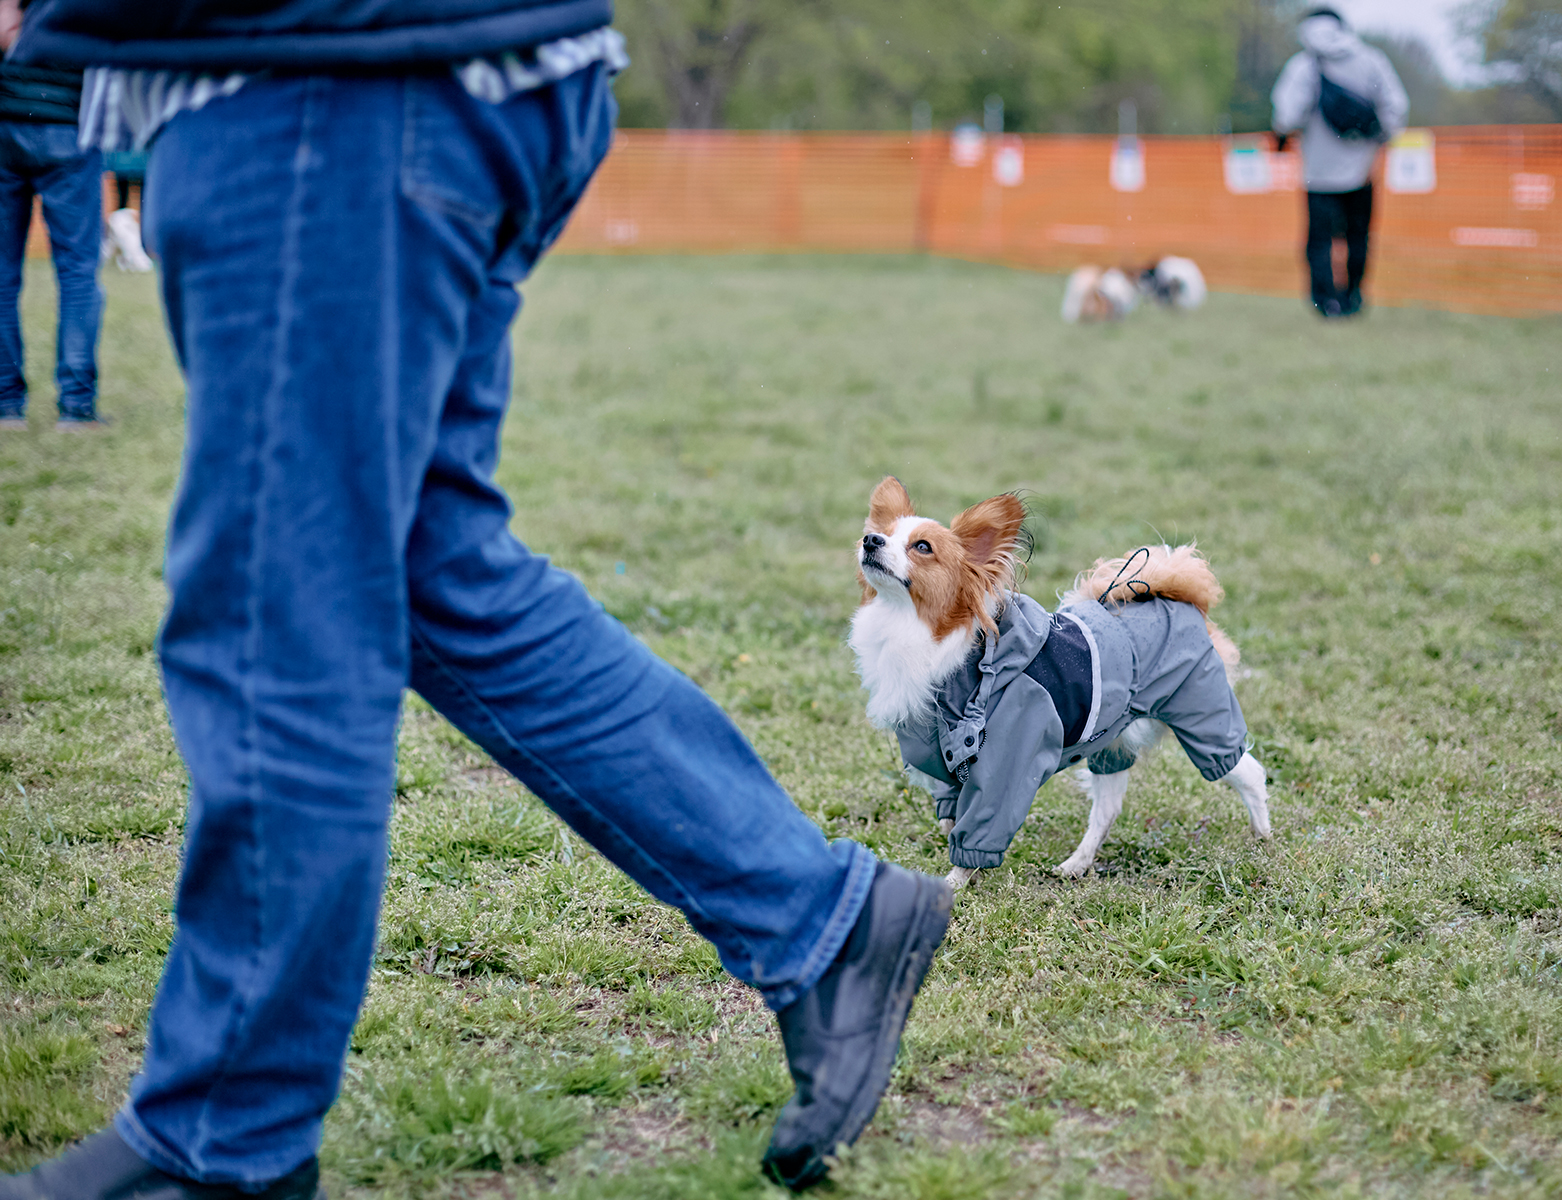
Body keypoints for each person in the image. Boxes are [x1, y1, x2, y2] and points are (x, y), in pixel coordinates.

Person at [0, 2, 950, 1197]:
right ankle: (828, 927)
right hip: (459, 75)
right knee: (429, 570)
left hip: (325, 83)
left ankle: (220, 1147)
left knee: (276, 619)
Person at [0, 0, 102, 431]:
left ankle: (6, 406)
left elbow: (5, 29)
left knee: (2, 276)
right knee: (78, 272)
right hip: (69, 124)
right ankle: (76, 408)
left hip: (7, 120)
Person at [1271, 7, 1408, 319]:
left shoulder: (1304, 65)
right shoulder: (1372, 60)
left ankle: (1325, 302)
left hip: (1317, 173)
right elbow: (1395, 107)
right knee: (1359, 236)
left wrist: (1282, 135)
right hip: (1363, 169)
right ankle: (1353, 296)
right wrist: (1379, 138)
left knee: (1319, 241)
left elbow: (1287, 113)